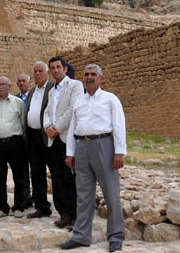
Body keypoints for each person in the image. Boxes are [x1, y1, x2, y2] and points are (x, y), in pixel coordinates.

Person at [60, 64, 126, 252]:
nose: (89, 77)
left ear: (101, 78)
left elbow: (119, 125)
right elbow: (73, 128)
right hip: (82, 147)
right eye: (87, 74)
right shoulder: (79, 101)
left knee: (111, 194)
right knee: (83, 195)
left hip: (104, 145)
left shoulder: (110, 99)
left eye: (93, 74)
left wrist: (119, 152)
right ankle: (81, 236)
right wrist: (70, 153)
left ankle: (116, 237)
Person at [45, 57, 81, 229]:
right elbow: (46, 112)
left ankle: (76, 216)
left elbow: (73, 109)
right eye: (52, 68)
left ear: (65, 69)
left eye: (58, 67)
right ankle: (64, 214)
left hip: (66, 138)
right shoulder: (51, 91)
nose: (55, 70)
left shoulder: (75, 85)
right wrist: (47, 127)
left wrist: (57, 128)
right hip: (53, 140)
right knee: (57, 178)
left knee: (70, 178)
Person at [0, 76, 28, 218]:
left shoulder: (18, 103)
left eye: (4, 84)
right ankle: (2, 207)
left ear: (9, 86)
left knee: (18, 175)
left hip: (15, 143)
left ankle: (19, 206)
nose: (1, 87)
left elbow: (23, 123)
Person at [25, 61, 54, 219]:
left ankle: (64, 209)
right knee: (36, 173)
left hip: (47, 136)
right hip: (33, 136)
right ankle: (42, 207)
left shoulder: (52, 89)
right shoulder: (32, 91)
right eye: (35, 71)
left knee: (55, 172)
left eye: (40, 70)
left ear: (47, 72)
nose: (37, 73)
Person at [15, 72, 33, 210]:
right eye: (19, 81)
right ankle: (26, 198)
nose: (22, 83)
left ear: (29, 82)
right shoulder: (15, 99)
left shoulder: (35, 96)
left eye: (24, 81)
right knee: (23, 171)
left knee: (37, 170)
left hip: (34, 137)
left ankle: (39, 198)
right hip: (21, 140)